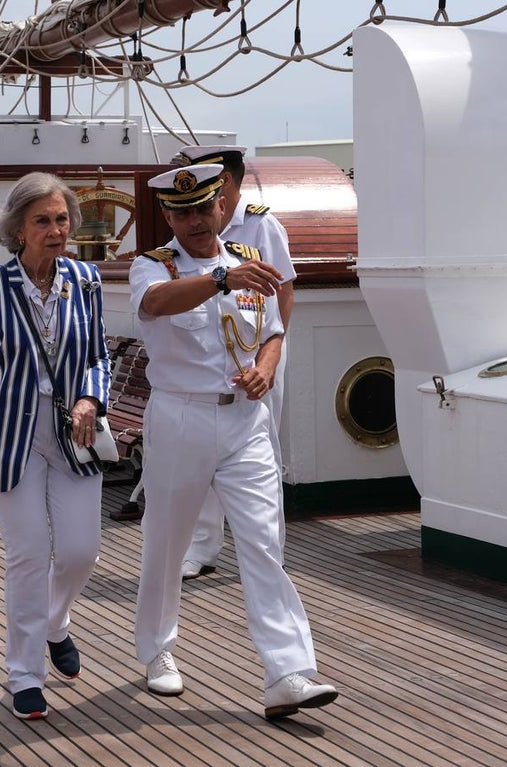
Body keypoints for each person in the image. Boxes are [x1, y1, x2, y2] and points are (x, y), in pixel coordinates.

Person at [130, 163, 338, 719]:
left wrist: (266, 367)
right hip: (181, 419)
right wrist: (219, 281)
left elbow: (272, 331)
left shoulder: (249, 265)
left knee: (265, 543)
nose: (197, 221)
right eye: (183, 212)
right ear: (169, 217)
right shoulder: (154, 267)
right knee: (167, 544)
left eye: (205, 208)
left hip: (245, 423)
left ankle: (288, 672)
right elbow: (154, 305)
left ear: (223, 206)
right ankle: (157, 651)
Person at [0, 172, 111, 721]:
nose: (56, 229)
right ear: (17, 229)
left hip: (73, 432)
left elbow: (97, 357)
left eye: (62, 219)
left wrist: (91, 397)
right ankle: (23, 673)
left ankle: (55, 622)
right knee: (28, 556)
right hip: (8, 436)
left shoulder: (85, 280)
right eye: (43, 220)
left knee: (81, 551)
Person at [169, 145, 296, 580]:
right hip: (212, 363)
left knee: (263, 453)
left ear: (225, 182)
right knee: (206, 460)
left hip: (258, 354)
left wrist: (266, 360)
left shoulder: (262, 225)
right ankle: (204, 547)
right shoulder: (187, 238)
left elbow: (284, 291)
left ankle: (266, 550)